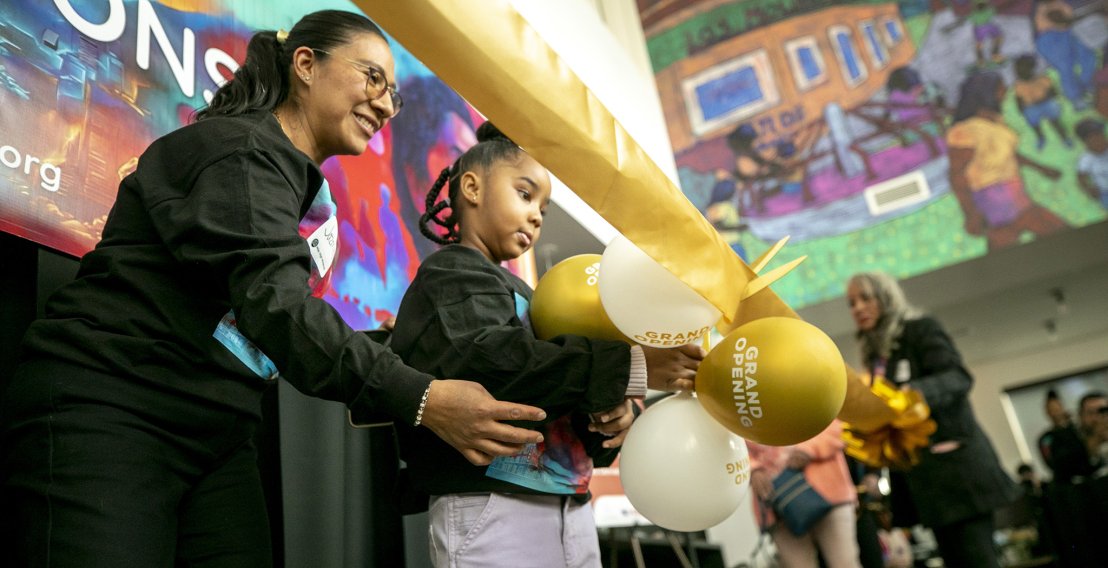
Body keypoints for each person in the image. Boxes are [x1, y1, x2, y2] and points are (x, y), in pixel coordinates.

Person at [0, 11, 552, 567]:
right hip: (110, 409)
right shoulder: (237, 151)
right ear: (306, 65)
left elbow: (276, 317)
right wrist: (424, 397)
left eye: (394, 95)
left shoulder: (305, 195)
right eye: (373, 78)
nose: (386, 105)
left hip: (218, 436)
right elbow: (279, 308)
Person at [388, 121, 704, 567]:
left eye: (544, 208)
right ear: (472, 187)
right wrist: (631, 365)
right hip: (493, 508)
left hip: (570, 506)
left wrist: (607, 416)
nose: (537, 215)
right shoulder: (452, 273)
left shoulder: (531, 299)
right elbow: (497, 364)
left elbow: (554, 395)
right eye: (524, 193)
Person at [846, 271, 1018, 568]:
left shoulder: (919, 329)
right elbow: (884, 419)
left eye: (865, 298)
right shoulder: (875, 357)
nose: (858, 308)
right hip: (924, 484)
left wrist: (912, 395)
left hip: (957, 472)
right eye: (851, 303)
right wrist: (872, 470)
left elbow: (957, 378)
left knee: (978, 558)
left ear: (885, 297)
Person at [946, 71, 1068, 250]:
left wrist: (1040, 168)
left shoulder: (994, 120)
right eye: (1000, 89)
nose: (1006, 92)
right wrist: (970, 213)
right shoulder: (965, 130)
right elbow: (957, 174)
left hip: (1012, 190)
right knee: (1061, 234)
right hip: (995, 196)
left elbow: (1007, 154)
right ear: (985, 93)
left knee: (1003, 251)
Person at [747, 420, 862, 568]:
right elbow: (730, 444)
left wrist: (809, 448)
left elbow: (839, 427)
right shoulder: (738, 405)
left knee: (845, 563)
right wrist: (752, 469)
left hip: (829, 492)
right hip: (776, 504)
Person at [1013, 54, 1072, 150]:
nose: (1022, 73)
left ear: (1032, 69)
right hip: (1031, 107)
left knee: (1055, 122)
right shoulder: (1018, 85)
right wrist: (1022, 110)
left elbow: (1054, 93)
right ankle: (1041, 137)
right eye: (1020, 72)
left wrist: (1045, 97)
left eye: (1025, 70)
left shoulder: (1043, 79)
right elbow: (1018, 100)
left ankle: (1064, 138)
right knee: (1034, 124)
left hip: (1046, 104)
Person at [1075, 118, 1108, 209]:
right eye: (1094, 138)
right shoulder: (1086, 159)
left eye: (1101, 135)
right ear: (1086, 142)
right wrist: (1089, 189)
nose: (1100, 140)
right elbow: (1081, 178)